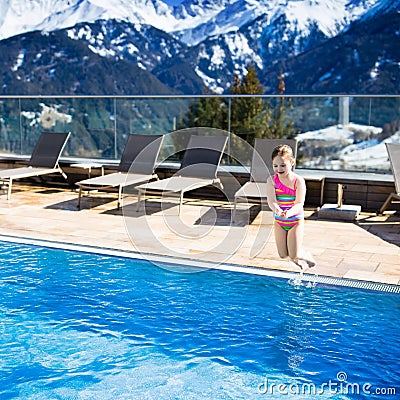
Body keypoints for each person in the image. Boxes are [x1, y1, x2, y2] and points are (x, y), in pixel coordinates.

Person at [266, 144, 315, 270]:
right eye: (275, 166)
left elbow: (299, 203)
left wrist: (288, 212)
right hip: (279, 221)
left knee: (294, 254)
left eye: (283, 165)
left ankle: (305, 255)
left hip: (295, 221)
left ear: (292, 162)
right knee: (283, 255)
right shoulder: (271, 181)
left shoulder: (298, 181)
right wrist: (277, 209)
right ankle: (297, 258)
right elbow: (271, 201)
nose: (279, 169)